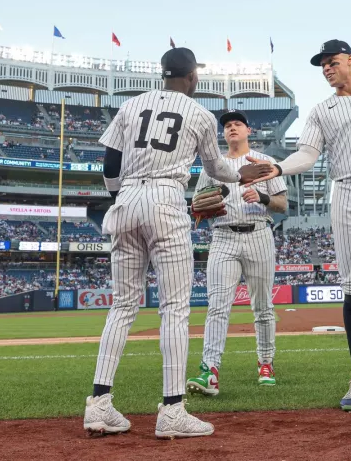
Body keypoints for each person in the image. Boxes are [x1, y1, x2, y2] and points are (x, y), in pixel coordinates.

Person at [82, 47, 270, 439]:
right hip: (166, 199)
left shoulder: (131, 105)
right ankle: (172, 410)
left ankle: (98, 405)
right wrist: (242, 174)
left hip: (126, 200)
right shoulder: (200, 114)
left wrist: (121, 197)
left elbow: (110, 164)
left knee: (122, 305)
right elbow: (216, 168)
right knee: (175, 309)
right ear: (192, 77)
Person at [246, 40, 351, 411]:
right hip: (347, 192)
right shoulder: (322, 110)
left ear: (350, 60)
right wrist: (279, 167)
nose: (327, 69)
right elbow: (307, 153)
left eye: (332, 62)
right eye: (322, 66)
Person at [186, 109, 288, 396]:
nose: (232, 128)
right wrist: (221, 194)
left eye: (237, 124)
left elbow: (282, 205)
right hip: (222, 236)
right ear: (224, 133)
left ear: (247, 131)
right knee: (218, 306)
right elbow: (197, 208)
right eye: (227, 125)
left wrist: (263, 196)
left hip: (258, 232)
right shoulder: (212, 167)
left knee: (263, 307)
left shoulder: (264, 162)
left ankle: (266, 363)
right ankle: (210, 370)